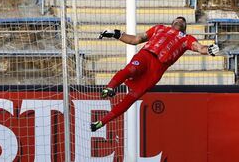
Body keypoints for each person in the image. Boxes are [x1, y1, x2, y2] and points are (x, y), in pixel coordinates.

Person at [91, 17, 220, 132]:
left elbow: (199, 47)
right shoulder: (159, 28)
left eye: (182, 21)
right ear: (172, 23)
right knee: (130, 70)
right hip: (146, 55)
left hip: (157, 69)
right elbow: (136, 39)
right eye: (177, 20)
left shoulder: (186, 39)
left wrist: (208, 49)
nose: (179, 21)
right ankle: (109, 87)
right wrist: (116, 34)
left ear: (185, 28)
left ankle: (102, 122)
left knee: (132, 97)